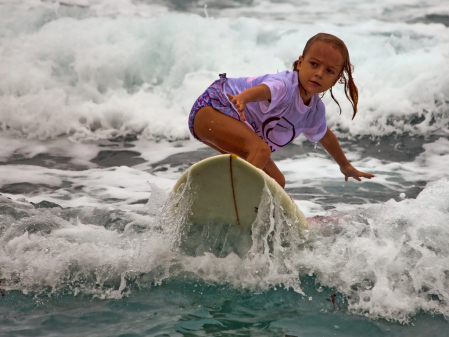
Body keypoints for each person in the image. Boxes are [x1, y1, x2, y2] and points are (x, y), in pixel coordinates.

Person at [188, 33, 374, 188]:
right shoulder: (285, 85)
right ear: (300, 63)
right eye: (314, 64)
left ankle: (248, 213)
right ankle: (232, 197)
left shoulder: (314, 110)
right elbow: (263, 90)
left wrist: (345, 165)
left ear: (335, 80)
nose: (319, 73)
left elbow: (325, 136)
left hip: (223, 122)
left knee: (276, 182)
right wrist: (243, 99)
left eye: (329, 71)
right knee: (260, 150)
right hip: (212, 108)